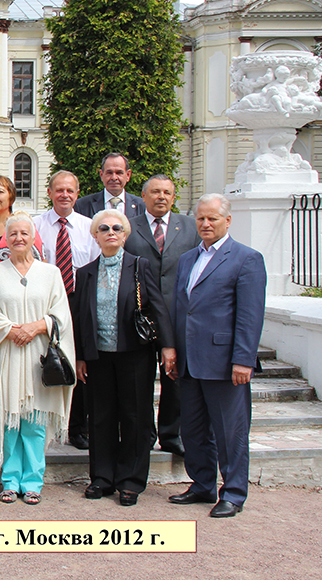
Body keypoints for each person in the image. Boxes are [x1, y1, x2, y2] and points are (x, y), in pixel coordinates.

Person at [169, 194, 266, 518]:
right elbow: (182, 309)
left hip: (225, 363)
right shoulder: (188, 259)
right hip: (189, 362)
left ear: (227, 220)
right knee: (193, 431)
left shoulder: (246, 259)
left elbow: (250, 316)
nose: (206, 224)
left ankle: (234, 492)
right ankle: (202, 485)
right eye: (200, 219)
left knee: (230, 432)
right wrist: (172, 351)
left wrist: (243, 360)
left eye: (212, 219)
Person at [73, 209, 175, 506]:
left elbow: (157, 307)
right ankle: (102, 478)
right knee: (101, 417)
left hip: (135, 354)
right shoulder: (86, 272)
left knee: (135, 416)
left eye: (117, 228)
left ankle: (130, 480)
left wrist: (168, 346)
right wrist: (80, 356)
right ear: (95, 236)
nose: (111, 232)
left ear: (126, 234)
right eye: (103, 228)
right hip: (99, 356)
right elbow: (80, 317)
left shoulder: (139, 267)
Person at [0, 212, 74, 506]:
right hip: (6, 352)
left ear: (34, 238)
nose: (19, 238)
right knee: (10, 420)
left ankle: (33, 481)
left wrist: (36, 326)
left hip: (38, 353)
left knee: (34, 419)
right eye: (13, 233)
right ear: (6, 238)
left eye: (24, 233)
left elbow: (61, 314)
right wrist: (10, 330)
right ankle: (9, 480)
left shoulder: (50, 273)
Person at [123, 175, 199, 456]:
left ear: (173, 196)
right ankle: (142, 434)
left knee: (174, 377)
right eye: (155, 192)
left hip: (178, 316)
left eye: (167, 192)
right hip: (139, 318)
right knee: (139, 381)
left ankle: (171, 433)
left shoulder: (189, 227)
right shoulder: (129, 228)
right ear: (143, 197)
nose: (161, 197)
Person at [34, 170, 98, 451]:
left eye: (70, 190)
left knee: (79, 364)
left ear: (77, 193)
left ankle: (78, 427)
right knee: (44, 361)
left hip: (79, 301)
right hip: (46, 303)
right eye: (59, 190)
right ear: (50, 192)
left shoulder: (90, 227)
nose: (64, 195)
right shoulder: (35, 226)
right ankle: (44, 425)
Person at [74, 152, 146, 219]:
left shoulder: (142, 206)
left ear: (128, 175)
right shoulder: (82, 205)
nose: (114, 178)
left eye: (119, 173)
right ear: (101, 175)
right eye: (109, 173)